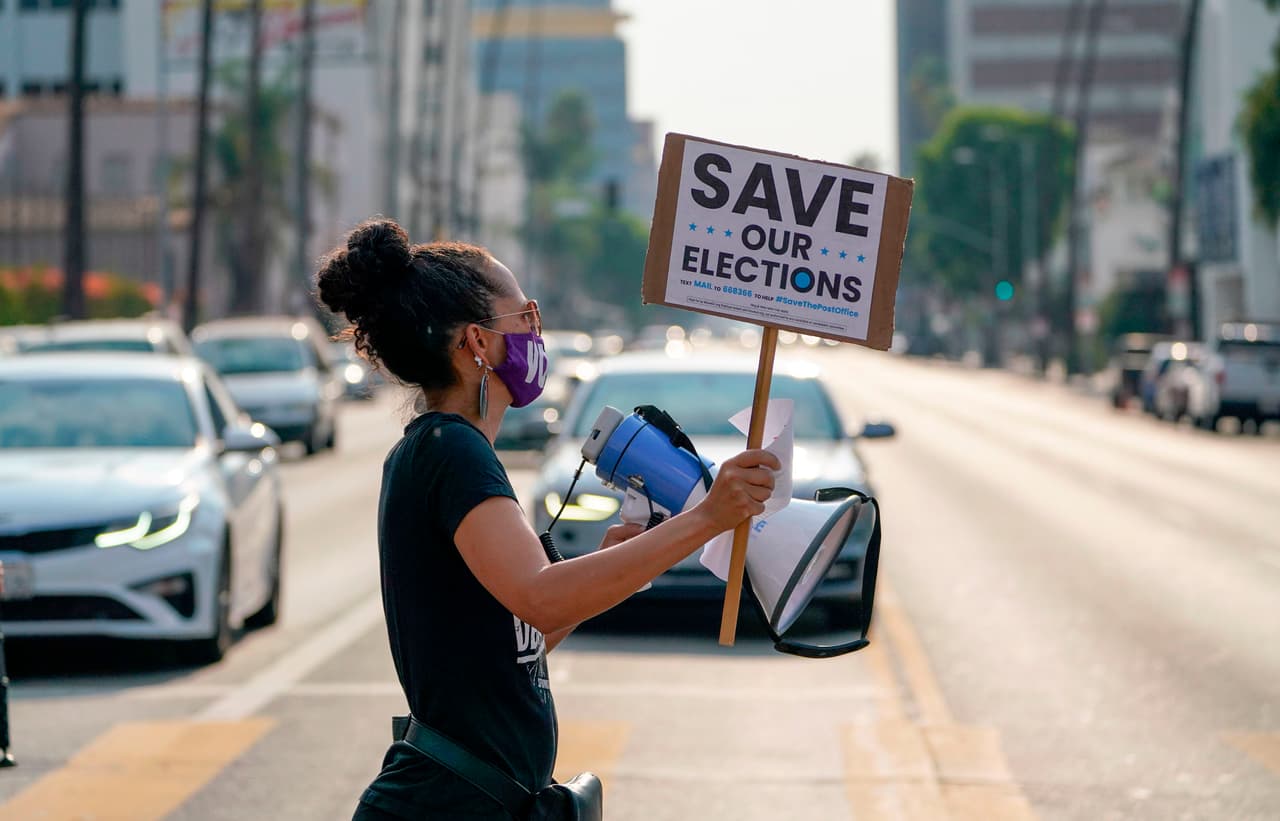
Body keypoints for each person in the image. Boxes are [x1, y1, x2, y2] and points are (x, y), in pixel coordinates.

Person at [317, 219, 779, 820]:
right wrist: (710, 516)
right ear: (477, 342)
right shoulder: (450, 451)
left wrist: (615, 565)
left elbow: (512, 647)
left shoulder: (448, 448)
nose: (538, 332)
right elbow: (542, 597)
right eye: (526, 316)